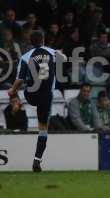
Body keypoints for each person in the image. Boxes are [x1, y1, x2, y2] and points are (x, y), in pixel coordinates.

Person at [8, 30, 67, 172]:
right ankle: (37, 159)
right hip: (47, 96)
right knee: (43, 129)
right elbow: (64, 59)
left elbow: (19, 79)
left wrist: (12, 91)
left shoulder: (25, 56)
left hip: (31, 94)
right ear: (43, 40)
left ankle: (20, 101)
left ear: (31, 42)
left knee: (26, 86)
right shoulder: (52, 52)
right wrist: (59, 52)